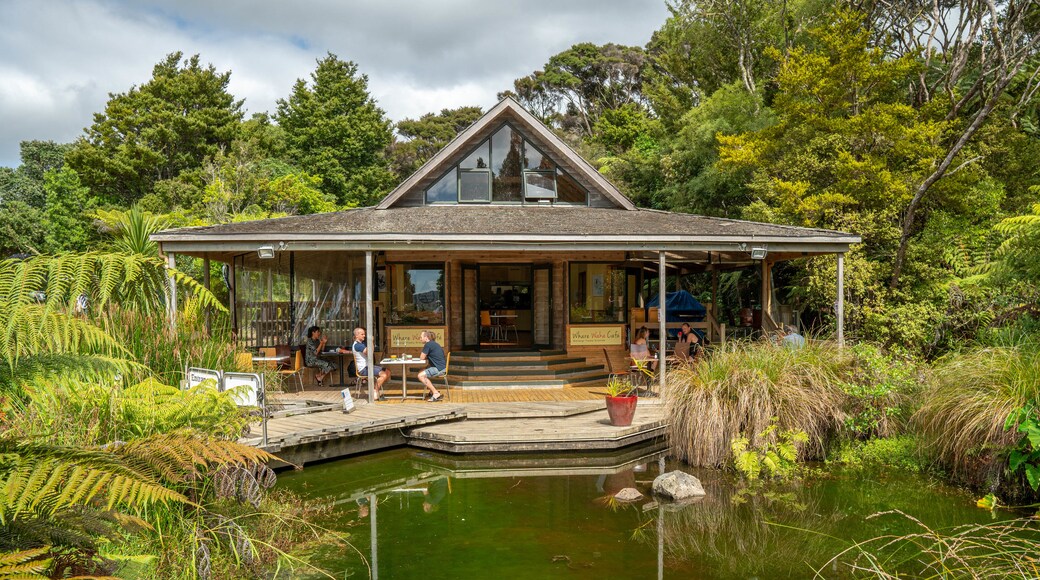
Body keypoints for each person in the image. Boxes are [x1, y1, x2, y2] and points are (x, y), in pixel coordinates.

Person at [351, 327, 388, 399]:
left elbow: (371, 351)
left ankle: (375, 388)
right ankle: (374, 391)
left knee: (387, 371)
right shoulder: (357, 345)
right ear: (356, 336)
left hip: (368, 367)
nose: (364, 336)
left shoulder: (362, 344)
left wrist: (372, 342)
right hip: (363, 369)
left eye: (364, 334)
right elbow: (370, 353)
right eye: (362, 334)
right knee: (384, 374)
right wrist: (371, 341)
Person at [416, 330, 447, 402]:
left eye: (421, 337)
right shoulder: (434, 344)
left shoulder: (428, 344)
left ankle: (436, 393)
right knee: (421, 371)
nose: (420, 339)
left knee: (420, 376)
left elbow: (422, 358)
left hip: (439, 369)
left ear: (426, 337)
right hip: (441, 367)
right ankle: (431, 391)